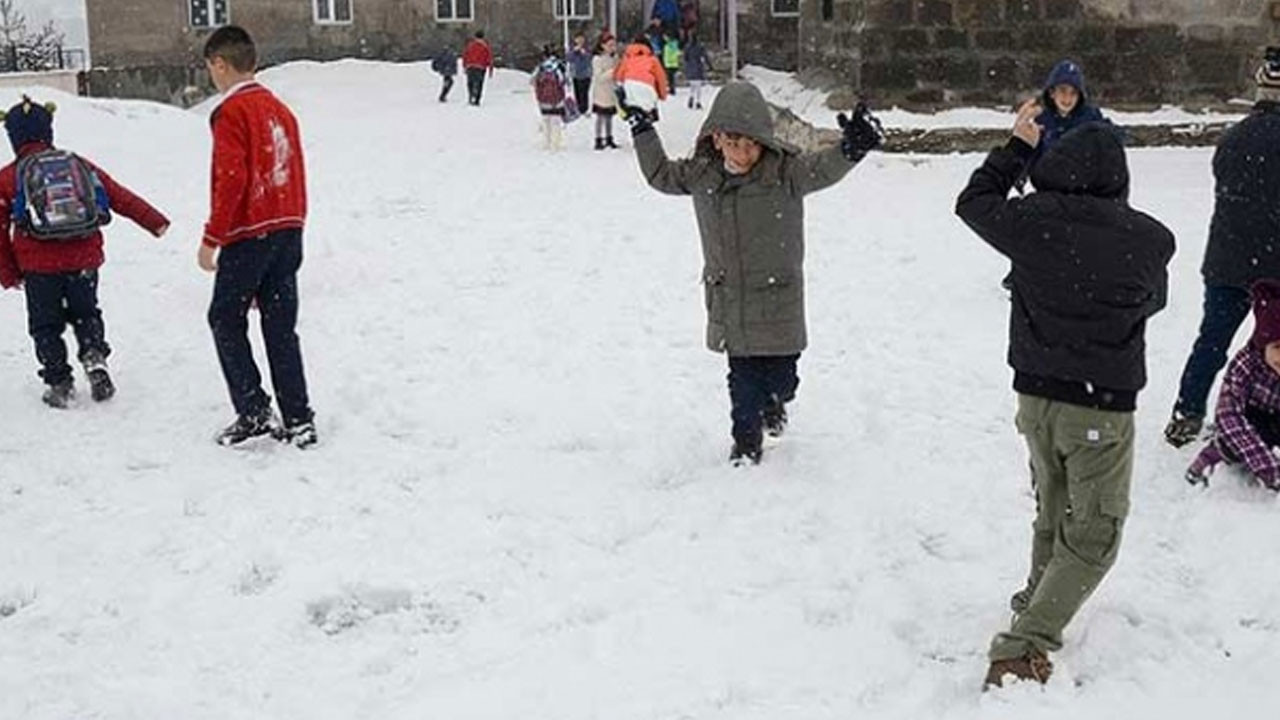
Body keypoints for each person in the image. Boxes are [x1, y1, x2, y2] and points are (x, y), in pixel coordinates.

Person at [955, 102, 1174, 689]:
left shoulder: (1030, 222)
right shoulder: (1151, 240)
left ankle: (1036, 598)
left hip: (1036, 398)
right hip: (1100, 406)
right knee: (1095, 532)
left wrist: (1017, 147)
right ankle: (1022, 646)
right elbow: (1154, 300)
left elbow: (972, 204)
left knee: (1053, 510)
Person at [621, 82, 883, 464]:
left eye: (751, 144)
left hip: (778, 300)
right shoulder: (703, 175)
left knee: (782, 380)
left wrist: (851, 148)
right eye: (733, 143)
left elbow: (824, 169)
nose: (743, 153)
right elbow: (660, 174)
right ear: (716, 139)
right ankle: (745, 448)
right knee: (742, 386)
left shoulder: (785, 174)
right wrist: (643, 128)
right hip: (732, 301)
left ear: (764, 140)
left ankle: (775, 403)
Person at [0, 97, 169, 408]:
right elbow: (117, 194)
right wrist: (154, 221)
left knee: (45, 324)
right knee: (86, 313)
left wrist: (8, 273)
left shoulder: (9, 177)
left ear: (14, 137)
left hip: (38, 266)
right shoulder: (76, 163)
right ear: (47, 131)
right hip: (83, 258)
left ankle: (59, 382)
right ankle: (94, 358)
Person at [200, 25, 316, 448]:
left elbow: (231, 178)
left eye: (211, 69)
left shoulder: (231, 112)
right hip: (288, 228)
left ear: (220, 64)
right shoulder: (281, 109)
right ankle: (299, 417)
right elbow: (295, 169)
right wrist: (296, 223)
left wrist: (213, 237)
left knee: (224, 319)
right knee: (280, 326)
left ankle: (252, 410)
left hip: (250, 232)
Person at [1166, 49, 1280, 447]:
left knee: (1212, 341)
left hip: (1229, 261)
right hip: (1275, 267)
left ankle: (1188, 409)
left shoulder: (1233, 139)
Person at [1186, 279, 1280, 489]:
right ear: (1263, 344)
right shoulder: (1245, 365)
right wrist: (1269, 469)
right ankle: (1212, 456)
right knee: (1232, 440)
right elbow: (1228, 415)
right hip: (1249, 421)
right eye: (1277, 347)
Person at [614, 35, 668, 122]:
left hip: (630, 85)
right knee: (647, 109)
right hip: (647, 87)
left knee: (633, 107)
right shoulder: (652, 59)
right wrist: (662, 95)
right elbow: (661, 78)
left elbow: (618, 76)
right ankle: (647, 117)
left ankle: (634, 115)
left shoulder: (627, 58)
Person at [531, 45, 567, 151]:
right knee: (556, 121)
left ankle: (546, 143)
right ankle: (555, 144)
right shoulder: (559, 66)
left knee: (546, 120)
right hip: (557, 98)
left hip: (543, 98)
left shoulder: (541, 67)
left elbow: (533, 80)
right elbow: (564, 80)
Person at [590, 32, 621, 150]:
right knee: (600, 116)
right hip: (601, 92)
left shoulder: (614, 57)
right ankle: (598, 139)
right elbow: (599, 77)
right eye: (610, 45)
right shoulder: (597, 59)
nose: (612, 47)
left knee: (609, 116)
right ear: (602, 45)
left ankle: (609, 137)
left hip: (611, 91)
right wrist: (613, 72)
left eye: (614, 45)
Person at [462, 30, 494, 106]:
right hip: (480, 67)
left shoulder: (470, 45)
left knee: (470, 82)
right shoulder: (485, 46)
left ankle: (471, 95)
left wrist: (465, 66)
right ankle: (477, 99)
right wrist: (490, 70)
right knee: (479, 83)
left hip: (470, 66)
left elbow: (465, 55)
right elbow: (489, 58)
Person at [567, 32, 593, 119]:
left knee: (584, 93)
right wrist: (574, 51)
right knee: (577, 92)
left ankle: (584, 110)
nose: (580, 41)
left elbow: (589, 59)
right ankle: (578, 109)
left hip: (586, 75)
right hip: (575, 74)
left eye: (581, 39)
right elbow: (569, 59)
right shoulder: (572, 49)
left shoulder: (587, 48)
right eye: (578, 39)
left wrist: (583, 53)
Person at [683, 34, 709, 110]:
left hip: (690, 68)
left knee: (692, 86)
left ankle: (691, 97)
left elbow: (685, 58)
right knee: (698, 87)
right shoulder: (700, 47)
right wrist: (709, 65)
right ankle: (698, 101)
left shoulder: (687, 47)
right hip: (698, 68)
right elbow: (704, 56)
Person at [661, 31, 682, 97]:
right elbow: (679, 53)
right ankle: (672, 89)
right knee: (671, 78)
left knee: (670, 78)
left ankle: (672, 89)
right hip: (673, 63)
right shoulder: (674, 44)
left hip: (669, 63)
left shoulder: (668, 45)